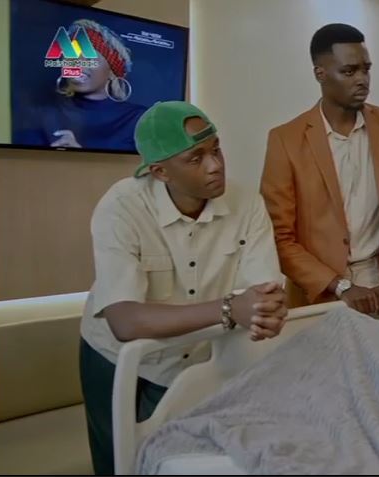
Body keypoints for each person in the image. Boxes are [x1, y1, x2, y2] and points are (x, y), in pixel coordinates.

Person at [79, 101, 287, 474]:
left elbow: (262, 293)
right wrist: (230, 309)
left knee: (181, 457)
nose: (215, 165)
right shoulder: (122, 207)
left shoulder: (247, 205)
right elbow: (125, 321)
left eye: (216, 150)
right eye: (196, 158)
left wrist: (266, 311)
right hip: (117, 359)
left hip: (197, 359)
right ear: (160, 172)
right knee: (119, 460)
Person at [260, 23, 379, 322]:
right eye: (349, 72)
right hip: (318, 293)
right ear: (320, 74)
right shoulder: (285, 139)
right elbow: (279, 235)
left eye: (366, 69)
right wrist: (340, 285)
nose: (362, 80)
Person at [14, 19, 146, 151]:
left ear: (112, 72)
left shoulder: (138, 119)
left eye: (90, 58)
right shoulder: (43, 113)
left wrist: (79, 154)